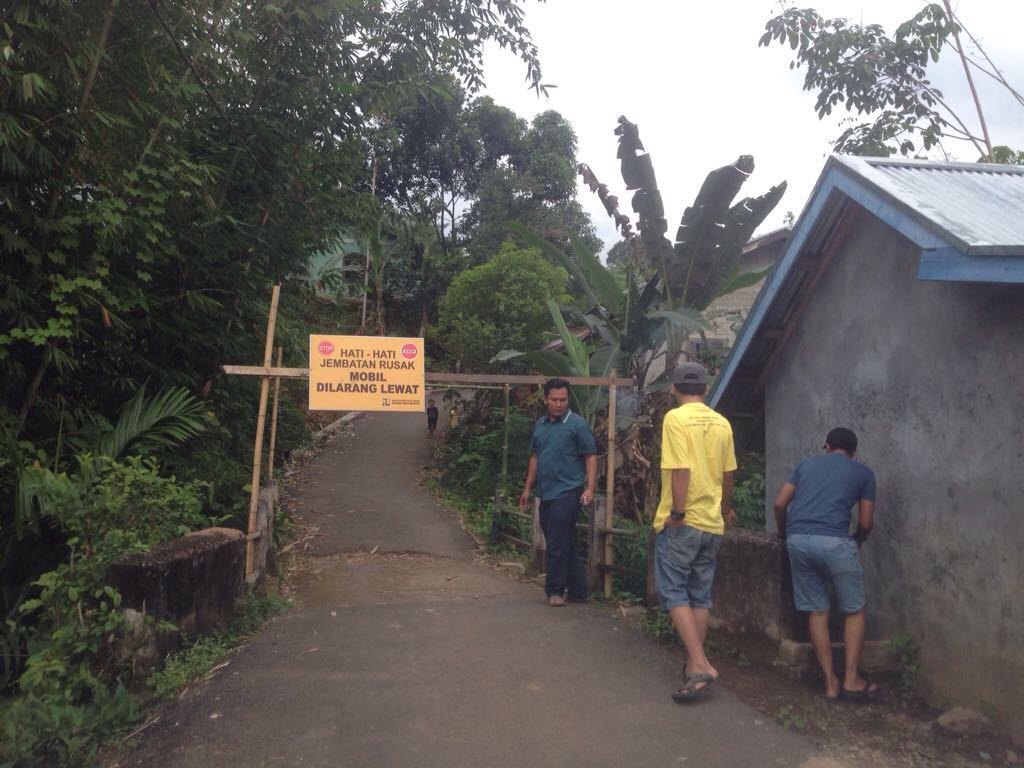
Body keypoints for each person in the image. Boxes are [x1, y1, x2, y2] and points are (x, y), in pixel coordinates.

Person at [773, 427, 877, 702]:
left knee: (817, 612)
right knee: (854, 609)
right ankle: (852, 680)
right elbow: (866, 522)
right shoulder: (863, 473)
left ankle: (830, 682)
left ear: (827, 446)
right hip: (835, 542)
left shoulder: (805, 465)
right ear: (853, 452)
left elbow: (779, 502)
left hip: (798, 541)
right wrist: (857, 540)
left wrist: (785, 533)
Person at [654, 362, 736, 701]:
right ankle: (693, 668)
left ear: (674, 389)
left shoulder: (675, 419)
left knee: (673, 591)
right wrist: (723, 508)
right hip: (712, 523)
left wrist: (676, 512)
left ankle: (700, 664)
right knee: (699, 595)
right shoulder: (722, 422)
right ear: (704, 388)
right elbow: (728, 474)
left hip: (684, 522)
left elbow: (681, 468)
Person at [520, 378, 597, 607]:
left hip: (569, 491)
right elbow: (535, 457)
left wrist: (590, 488)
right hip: (546, 492)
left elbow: (590, 456)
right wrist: (527, 488)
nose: (559, 404)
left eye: (563, 399)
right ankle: (579, 591)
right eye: (554, 399)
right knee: (560, 540)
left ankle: (554, 590)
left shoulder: (578, 425)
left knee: (555, 542)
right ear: (546, 399)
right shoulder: (541, 425)